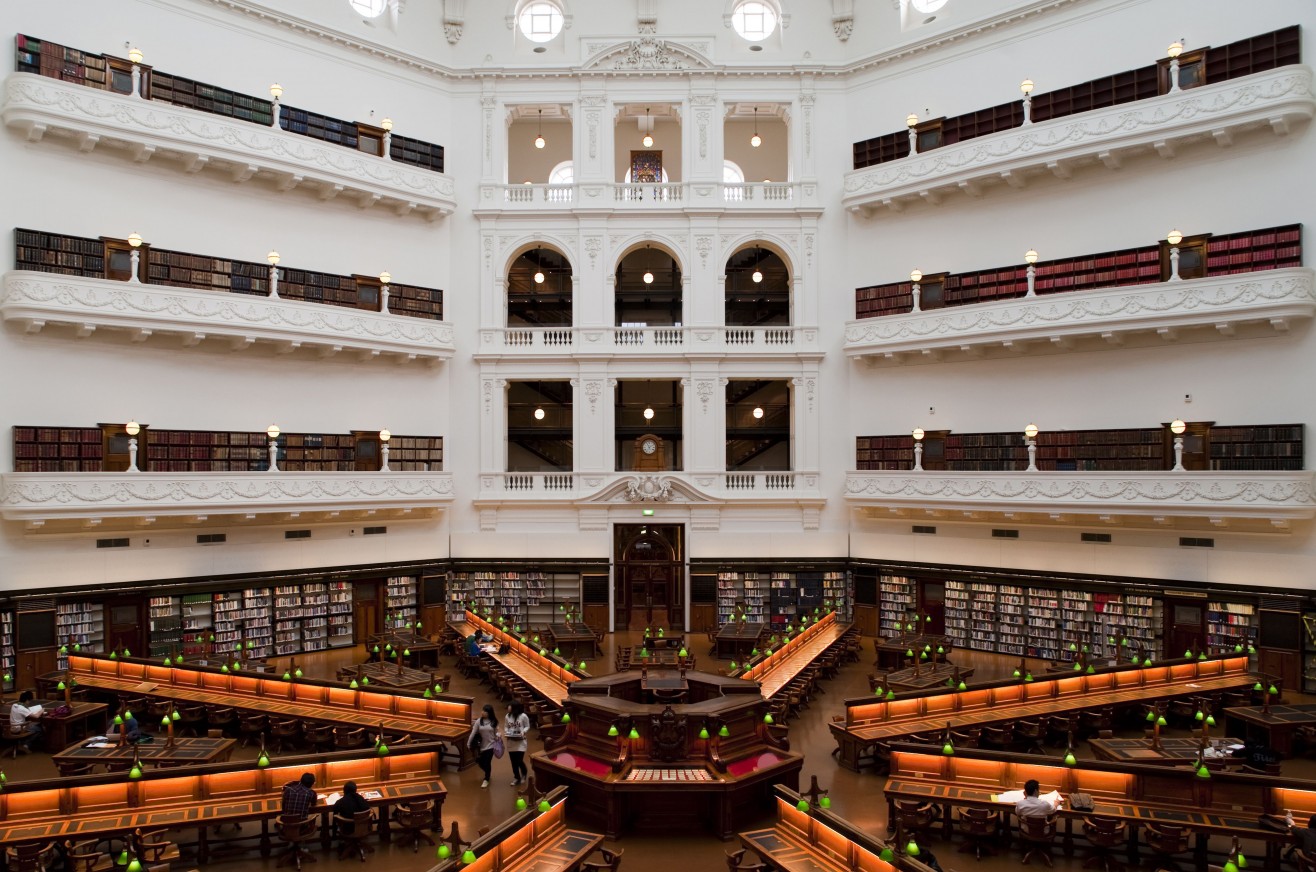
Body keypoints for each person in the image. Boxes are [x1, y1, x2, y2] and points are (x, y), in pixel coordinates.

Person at [468, 703, 500, 789]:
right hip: (481, 746)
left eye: (485, 711)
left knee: (487, 762)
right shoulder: (479, 721)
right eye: (483, 710)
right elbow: (473, 733)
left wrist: (498, 736)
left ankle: (486, 779)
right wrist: (469, 743)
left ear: (489, 713)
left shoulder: (494, 722)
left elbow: (496, 733)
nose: (483, 712)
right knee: (480, 762)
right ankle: (487, 772)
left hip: (491, 745)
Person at [505, 701, 531, 786]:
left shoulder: (523, 716)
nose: (508, 707)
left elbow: (527, 726)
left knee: (519, 760)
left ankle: (524, 773)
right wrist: (507, 732)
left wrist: (523, 731)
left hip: (521, 742)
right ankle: (517, 777)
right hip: (511, 741)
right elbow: (506, 726)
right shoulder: (507, 716)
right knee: (513, 761)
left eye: (509, 706)